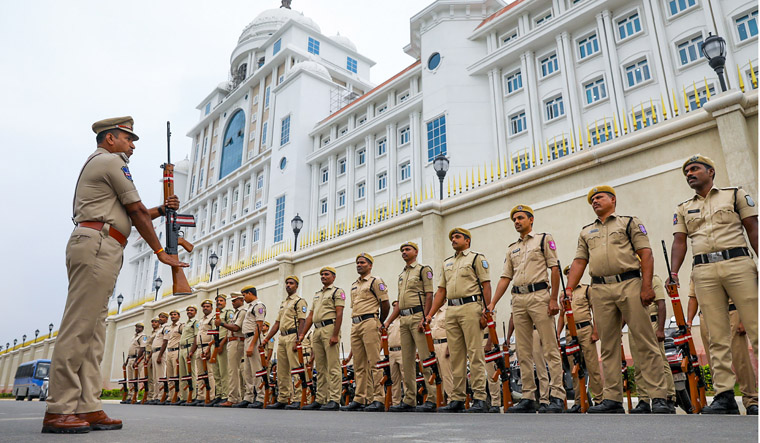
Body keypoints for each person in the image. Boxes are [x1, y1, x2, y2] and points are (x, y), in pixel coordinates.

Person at [43, 117, 187, 433]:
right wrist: (161, 252)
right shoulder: (111, 162)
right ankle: (60, 408)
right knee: (80, 326)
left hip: (104, 243)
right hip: (97, 243)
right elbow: (135, 211)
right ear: (110, 138)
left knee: (95, 332)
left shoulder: (105, 163)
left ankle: (88, 406)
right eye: (128, 138)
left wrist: (163, 210)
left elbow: (132, 215)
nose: (132, 145)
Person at [565, 185, 669, 414]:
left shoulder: (629, 222)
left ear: (613, 199)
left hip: (629, 283)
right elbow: (579, 261)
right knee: (609, 344)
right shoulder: (585, 231)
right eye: (592, 200)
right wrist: (569, 289)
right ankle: (612, 398)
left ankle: (658, 396)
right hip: (600, 288)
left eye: (599, 197)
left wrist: (646, 286)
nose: (594, 201)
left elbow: (646, 254)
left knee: (645, 341)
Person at [670, 154, 758, 414]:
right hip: (704, 270)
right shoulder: (683, 207)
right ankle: (724, 396)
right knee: (716, 336)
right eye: (686, 172)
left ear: (711, 171)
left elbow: (753, 228)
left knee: (755, 327)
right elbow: (679, 241)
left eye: (695, 169)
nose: (690, 174)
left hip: (738, 263)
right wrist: (674, 273)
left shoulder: (734, 195)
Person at [489, 205, 566, 413]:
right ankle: (529, 397)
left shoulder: (543, 239)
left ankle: (557, 395)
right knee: (523, 351)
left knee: (550, 347)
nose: (516, 221)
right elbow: (505, 277)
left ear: (531, 220)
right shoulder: (511, 248)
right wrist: (493, 302)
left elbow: (555, 269)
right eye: (514, 219)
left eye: (520, 218)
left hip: (540, 295)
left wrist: (553, 299)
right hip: (519, 298)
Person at [426, 228, 491, 413]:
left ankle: (480, 398)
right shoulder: (447, 263)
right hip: (451, 309)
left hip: (471, 306)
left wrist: (486, 310)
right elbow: (441, 292)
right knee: (456, 356)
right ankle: (457, 398)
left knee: (475, 353)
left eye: (457, 237)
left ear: (467, 240)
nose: (453, 240)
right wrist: (430, 314)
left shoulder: (476, 258)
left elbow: (486, 285)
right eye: (452, 237)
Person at [688, 278, 758, 415]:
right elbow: (693, 297)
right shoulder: (698, 267)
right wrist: (689, 321)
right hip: (707, 315)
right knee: (715, 359)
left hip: (732, 311)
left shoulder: (730, 260)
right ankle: (723, 397)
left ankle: (751, 400)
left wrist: (744, 319)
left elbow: (746, 293)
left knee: (740, 360)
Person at [384, 242, 438, 413]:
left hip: (418, 316)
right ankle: (409, 399)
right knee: (407, 362)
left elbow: (429, 295)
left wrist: (426, 317)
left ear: (416, 252)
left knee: (425, 358)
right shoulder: (402, 275)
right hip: (404, 319)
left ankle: (432, 398)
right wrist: (388, 321)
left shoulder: (423, 270)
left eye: (407, 249)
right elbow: (399, 303)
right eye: (402, 250)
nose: (404, 252)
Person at [341, 253, 391, 412]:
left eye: (362, 262)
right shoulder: (354, 285)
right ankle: (360, 398)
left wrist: (380, 322)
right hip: (355, 323)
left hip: (370, 321)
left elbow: (385, 304)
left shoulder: (376, 281)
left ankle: (378, 398)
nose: (359, 265)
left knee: (375, 362)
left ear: (370, 265)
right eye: (357, 263)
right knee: (359, 364)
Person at [556, 266, 603, 412]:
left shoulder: (586, 289)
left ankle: (599, 399)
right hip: (570, 332)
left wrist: (595, 331)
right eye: (568, 274)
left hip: (585, 330)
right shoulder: (563, 293)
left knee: (592, 365)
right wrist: (557, 335)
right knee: (574, 367)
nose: (570, 275)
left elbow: (595, 310)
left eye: (572, 273)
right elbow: (561, 315)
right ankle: (578, 401)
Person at [297, 267, 345, 411]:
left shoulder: (337, 292)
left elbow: (339, 313)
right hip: (317, 330)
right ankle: (320, 398)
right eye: (322, 274)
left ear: (333, 277)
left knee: (333, 366)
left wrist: (335, 334)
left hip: (330, 328)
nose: (323, 276)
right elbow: (310, 316)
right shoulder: (317, 294)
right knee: (320, 367)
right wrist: (302, 335)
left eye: (326, 274)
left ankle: (334, 399)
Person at [627, 275, 676, 413]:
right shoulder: (630, 282)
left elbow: (661, 304)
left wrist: (661, 329)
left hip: (651, 323)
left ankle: (668, 397)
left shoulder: (653, 279)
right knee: (638, 364)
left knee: (659, 362)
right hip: (634, 325)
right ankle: (643, 400)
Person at [261, 276, 308, 409]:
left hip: (293, 335)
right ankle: (283, 398)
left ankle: (298, 398)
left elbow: (302, 321)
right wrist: (265, 339)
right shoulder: (284, 303)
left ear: (296, 286)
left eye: (291, 283)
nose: (288, 285)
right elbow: (277, 323)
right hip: (282, 337)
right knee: (282, 370)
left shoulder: (299, 301)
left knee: (296, 368)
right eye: (287, 283)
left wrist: (299, 339)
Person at [506, 314, 550, 410]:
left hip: (536, 330)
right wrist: (509, 337)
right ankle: (528, 397)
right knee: (524, 366)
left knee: (540, 366)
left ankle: (544, 399)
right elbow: (513, 317)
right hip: (521, 332)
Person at [216, 293, 246, 407]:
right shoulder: (237, 313)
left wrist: (222, 324)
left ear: (240, 300)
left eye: (234, 301)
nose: (232, 303)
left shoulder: (242, 312)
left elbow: (236, 328)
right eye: (232, 301)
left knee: (233, 371)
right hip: (232, 341)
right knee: (232, 371)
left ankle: (232, 398)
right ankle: (236, 397)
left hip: (237, 341)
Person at [240, 285, 267, 409]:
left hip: (253, 339)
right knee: (247, 371)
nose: (244, 298)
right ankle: (248, 397)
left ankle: (261, 397)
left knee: (257, 370)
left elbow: (259, 326)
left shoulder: (258, 306)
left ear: (250, 293)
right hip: (247, 338)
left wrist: (252, 345)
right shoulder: (250, 307)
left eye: (244, 295)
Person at [190, 299, 217, 405]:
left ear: (211, 308)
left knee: (209, 373)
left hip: (207, 347)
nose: (205, 308)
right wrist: (193, 350)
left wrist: (210, 349)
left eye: (207, 306)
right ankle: (201, 396)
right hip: (199, 348)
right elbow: (197, 336)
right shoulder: (201, 320)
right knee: (200, 373)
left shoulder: (213, 319)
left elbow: (214, 334)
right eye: (204, 307)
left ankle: (210, 396)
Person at [210, 293, 233, 406]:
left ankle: (225, 395)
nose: (219, 303)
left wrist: (222, 344)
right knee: (216, 372)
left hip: (222, 345)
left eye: (221, 301)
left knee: (224, 372)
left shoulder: (228, 313)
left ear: (225, 302)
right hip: (215, 345)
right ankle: (218, 394)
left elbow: (230, 330)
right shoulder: (214, 316)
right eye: (217, 301)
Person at [430, 304, 453, 400]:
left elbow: (451, 330)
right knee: (436, 375)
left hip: (444, 343)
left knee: (446, 374)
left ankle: (451, 398)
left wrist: (449, 347)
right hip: (434, 345)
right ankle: (440, 400)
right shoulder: (433, 312)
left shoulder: (448, 310)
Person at [178, 305, 198, 405]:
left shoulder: (195, 322)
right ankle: (184, 397)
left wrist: (191, 351)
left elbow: (196, 337)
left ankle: (193, 396)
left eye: (192, 310)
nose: (189, 311)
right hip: (182, 349)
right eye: (188, 310)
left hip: (189, 348)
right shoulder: (186, 324)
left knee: (191, 373)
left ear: (195, 312)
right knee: (183, 374)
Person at [165, 310, 184, 405]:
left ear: (179, 316)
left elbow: (184, 337)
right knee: (170, 375)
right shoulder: (168, 328)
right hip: (169, 351)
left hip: (177, 351)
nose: (173, 316)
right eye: (171, 315)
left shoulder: (181, 326)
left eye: (175, 314)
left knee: (177, 374)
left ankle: (179, 395)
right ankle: (171, 396)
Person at [125, 323, 146, 404]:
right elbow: (130, 350)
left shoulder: (143, 336)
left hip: (137, 359)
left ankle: (134, 396)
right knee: (130, 379)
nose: (137, 328)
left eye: (139, 327)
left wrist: (137, 360)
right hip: (130, 358)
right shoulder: (133, 336)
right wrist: (126, 361)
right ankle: (130, 396)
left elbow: (142, 348)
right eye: (136, 327)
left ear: (142, 328)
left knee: (134, 378)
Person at [151, 312, 170, 405]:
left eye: (163, 317)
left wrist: (160, 355)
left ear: (167, 319)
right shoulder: (159, 329)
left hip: (160, 353)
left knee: (160, 376)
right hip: (154, 352)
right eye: (160, 317)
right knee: (155, 377)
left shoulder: (166, 328)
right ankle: (155, 395)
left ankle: (161, 396)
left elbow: (165, 342)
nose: (160, 319)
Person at [143, 318, 160, 405]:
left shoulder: (158, 332)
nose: (153, 323)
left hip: (152, 354)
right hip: (147, 355)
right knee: (149, 377)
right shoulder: (152, 333)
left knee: (154, 376)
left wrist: (149, 357)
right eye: (152, 322)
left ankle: (154, 395)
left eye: (156, 322)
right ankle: (149, 396)